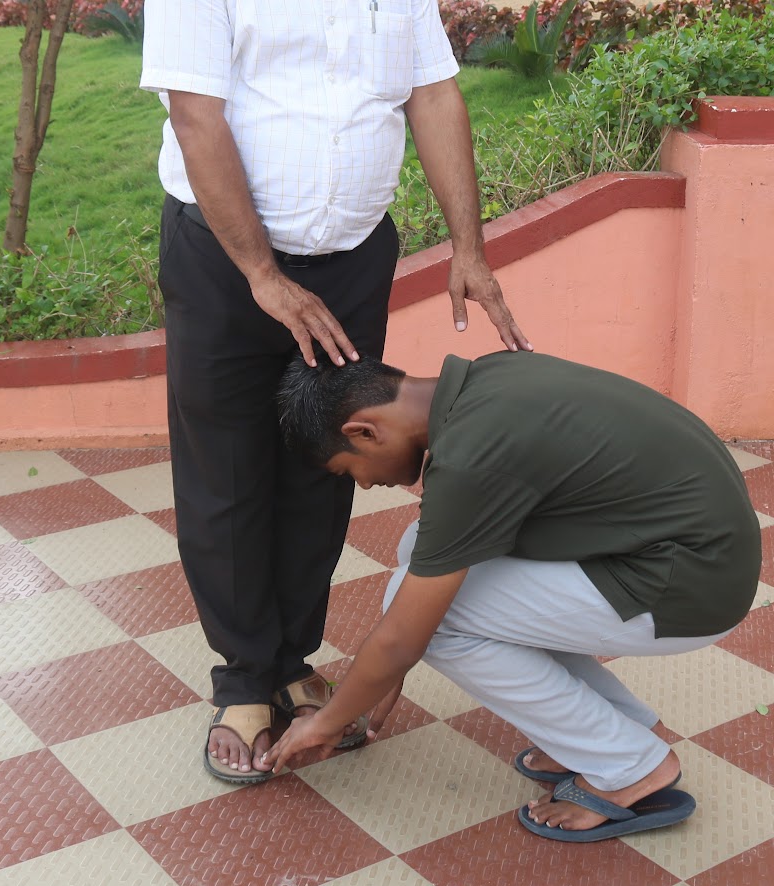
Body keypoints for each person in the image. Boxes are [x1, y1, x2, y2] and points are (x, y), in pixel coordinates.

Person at [140, 4, 531, 783]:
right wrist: (262, 275)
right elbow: (195, 115)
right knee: (227, 471)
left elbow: (433, 93)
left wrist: (468, 247)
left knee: (327, 458)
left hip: (352, 258)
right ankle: (245, 679)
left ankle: (291, 659)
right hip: (226, 264)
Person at [261, 352, 761, 842]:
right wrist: (389, 664)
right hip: (685, 553)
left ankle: (628, 766)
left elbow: (402, 638)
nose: (366, 483)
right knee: (418, 550)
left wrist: (328, 721)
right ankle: (617, 729)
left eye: (349, 471)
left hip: (690, 588)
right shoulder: (486, 382)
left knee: (435, 619)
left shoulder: (470, 457)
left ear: (364, 432)